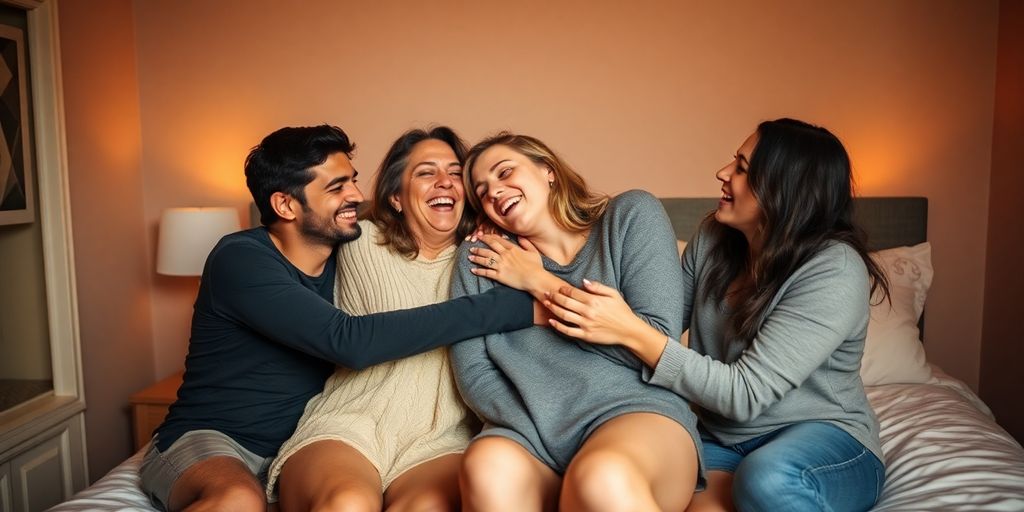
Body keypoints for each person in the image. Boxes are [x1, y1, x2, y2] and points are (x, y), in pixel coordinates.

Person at [138, 124, 540, 512]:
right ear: (285, 205)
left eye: (353, 181)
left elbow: (398, 214)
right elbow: (351, 341)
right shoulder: (242, 259)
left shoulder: (345, 246)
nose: (355, 195)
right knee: (240, 501)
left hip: (305, 444)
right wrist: (523, 307)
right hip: (217, 439)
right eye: (338, 187)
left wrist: (486, 218)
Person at [535, 118, 889, 511]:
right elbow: (649, 325)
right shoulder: (713, 238)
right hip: (721, 439)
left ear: (786, 189)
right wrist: (536, 269)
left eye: (741, 168)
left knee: (768, 478)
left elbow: (745, 393)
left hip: (825, 436)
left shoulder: (834, 268)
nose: (722, 174)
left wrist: (629, 330)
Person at [451, 133, 703, 512]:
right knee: (486, 467)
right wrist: (546, 424)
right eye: (482, 191)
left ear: (547, 170)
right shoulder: (481, 257)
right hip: (530, 433)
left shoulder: (630, 216)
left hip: (635, 412)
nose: (495, 192)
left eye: (505, 172)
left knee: (602, 476)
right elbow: (474, 372)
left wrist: (537, 281)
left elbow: (654, 346)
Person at [267, 126, 481, 511]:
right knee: (348, 503)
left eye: (455, 172)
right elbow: (295, 234)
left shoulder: (486, 258)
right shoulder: (354, 236)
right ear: (396, 196)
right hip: (347, 424)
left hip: (441, 438)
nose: (445, 182)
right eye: (426, 172)